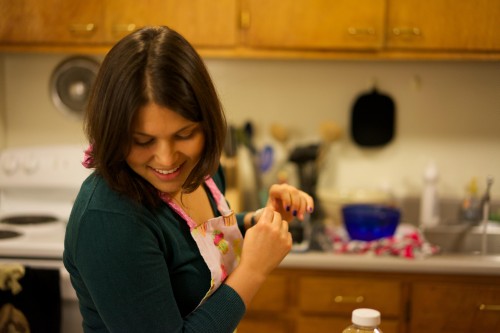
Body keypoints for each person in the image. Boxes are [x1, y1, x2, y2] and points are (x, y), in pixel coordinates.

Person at [63, 25, 314, 333]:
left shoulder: (200, 171)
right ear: (113, 134)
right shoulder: (109, 219)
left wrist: (256, 222)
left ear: (206, 125)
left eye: (184, 135)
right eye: (143, 141)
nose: (167, 159)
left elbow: (197, 240)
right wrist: (253, 270)